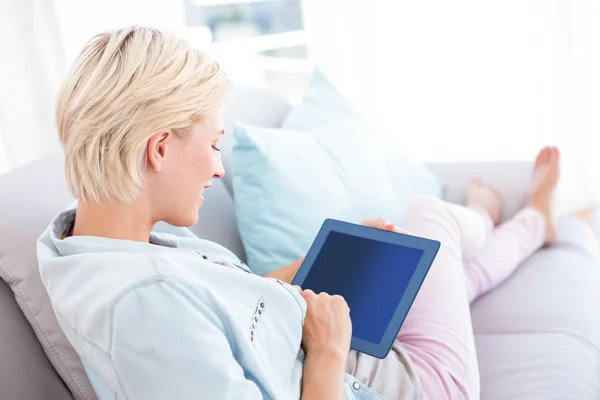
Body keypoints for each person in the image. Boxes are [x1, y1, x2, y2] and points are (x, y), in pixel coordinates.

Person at [37, 26, 561, 400]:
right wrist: (331, 349)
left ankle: (513, 223)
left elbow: (225, 314)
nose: (218, 170)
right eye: (215, 144)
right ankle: (500, 216)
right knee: (431, 217)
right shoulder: (144, 311)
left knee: (430, 271)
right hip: (412, 382)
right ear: (158, 149)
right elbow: (181, 320)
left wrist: (315, 261)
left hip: (352, 344)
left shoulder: (89, 243)